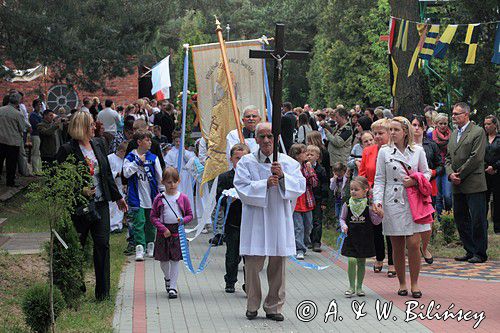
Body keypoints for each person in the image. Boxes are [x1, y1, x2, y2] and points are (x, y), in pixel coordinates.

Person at [234, 122, 305, 321]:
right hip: (256, 218)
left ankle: (274, 306)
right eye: (262, 136)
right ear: (255, 139)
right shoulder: (246, 162)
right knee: (253, 265)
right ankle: (252, 303)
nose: (266, 140)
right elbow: (241, 187)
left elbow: (300, 185)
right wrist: (263, 184)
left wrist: (282, 178)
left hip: (278, 217)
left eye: (270, 136)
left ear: (276, 138)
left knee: (278, 264)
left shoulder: (288, 163)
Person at [56, 111, 128, 301]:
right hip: (80, 207)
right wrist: (79, 191)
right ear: (81, 127)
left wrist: (118, 198)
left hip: (101, 203)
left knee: (102, 245)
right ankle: (76, 287)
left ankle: (103, 293)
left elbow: (106, 174)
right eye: (91, 124)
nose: (95, 127)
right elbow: (59, 181)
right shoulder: (67, 150)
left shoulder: (99, 143)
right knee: (77, 246)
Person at [373, 117, 431, 299]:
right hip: (393, 200)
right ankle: (402, 283)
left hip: (413, 200)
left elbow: (427, 172)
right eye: (390, 130)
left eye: (395, 130)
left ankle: (415, 283)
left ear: (405, 131)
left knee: (414, 243)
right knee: (396, 245)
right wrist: (378, 201)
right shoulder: (384, 152)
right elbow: (379, 179)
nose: (392, 133)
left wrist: (416, 180)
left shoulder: (418, 151)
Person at [446, 102, 488, 263]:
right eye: (453, 114)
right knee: (460, 217)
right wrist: (450, 174)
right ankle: (469, 249)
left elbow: (476, 157)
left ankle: (480, 252)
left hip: (473, 182)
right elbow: (448, 157)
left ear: (466, 115)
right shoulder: (453, 134)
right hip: (457, 183)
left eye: (457, 114)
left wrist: (460, 174)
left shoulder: (477, 132)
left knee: (477, 218)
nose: (454, 117)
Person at [150, 167, 193, 299]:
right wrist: (163, 229)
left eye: (175, 182)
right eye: (169, 182)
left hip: (177, 231)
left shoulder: (183, 198)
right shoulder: (160, 198)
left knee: (175, 260)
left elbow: (190, 215)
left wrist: (183, 220)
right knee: (163, 260)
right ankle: (167, 278)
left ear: (179, 181)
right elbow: (153, 217)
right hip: (164, 231)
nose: (172, 185)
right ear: (163, 182)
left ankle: (173, 286)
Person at [359, 118, 394, 276]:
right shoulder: (368, 151)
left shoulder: (394, 149)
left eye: (381, 133)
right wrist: (366, 190)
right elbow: (362, 174)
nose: (378, 136)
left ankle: (393, 262)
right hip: (373, 193)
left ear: (389, 133)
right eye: (375, 134)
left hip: (393, 193)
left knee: (392, 229)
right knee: (377, 228)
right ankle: (379, 257)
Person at [123, 130, 165, 261]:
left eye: (150, 140)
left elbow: (159, 178)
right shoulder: (130, 157)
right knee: (139, 222)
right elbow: (126, 173)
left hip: (151, 196)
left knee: (151, 223)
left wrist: (162, 193)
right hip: (137, 197)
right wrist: (137, 163)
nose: (150, 142)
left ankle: (150, 245)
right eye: (147, 140)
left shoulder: (153, 158)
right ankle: (139, 248)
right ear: (139, 142)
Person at [217, 143, 250, 293]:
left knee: (250, 257)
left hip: (251, 223)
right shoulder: (225, 177)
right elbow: (219, 198)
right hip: (232, 223)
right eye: (237, 158)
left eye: (244, 158)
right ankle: (230, 281)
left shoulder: (253, 177)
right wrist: (229, 199)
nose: (240, 161)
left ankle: (249, 283)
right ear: (231, 159)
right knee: (232, 255)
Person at [411, 115, 442, 265]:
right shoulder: (405, 145)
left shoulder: (431, 145)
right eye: (413, 125)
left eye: (418, 125)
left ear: (423, 127)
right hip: (411, 187)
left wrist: (432, 173)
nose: (416, 128)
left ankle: (425, 247)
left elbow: (440, 164)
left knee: (428, 218)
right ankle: (413, 247)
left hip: (428, 186)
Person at [340, 176, 378, 297]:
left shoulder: (369, 205)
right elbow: (341, 218)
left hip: (364, 237)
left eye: (356, 189)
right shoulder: (347, 204)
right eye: (351, 189)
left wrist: (380, 215)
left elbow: (375, 221)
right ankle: (351, 287)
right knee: (351, 259)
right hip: (351, 236)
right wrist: (343, 226)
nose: (353, 192)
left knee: (362, 262)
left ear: (365, 190)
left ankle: (359, 287)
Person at [289, 143, 318, 260]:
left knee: (308, 226)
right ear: (297, 155)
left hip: (307, 200)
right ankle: (299, 248)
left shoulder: (307, 167)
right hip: (296, 201)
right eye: (304, 152)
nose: (307, 155)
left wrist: (310, 171)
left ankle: (304, 243)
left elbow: (315, 183)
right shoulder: (291, 167)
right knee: (298, 227)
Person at [0, 93, 28, 187]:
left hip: (1, 139)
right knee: (11, 164)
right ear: (18, 101)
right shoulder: (18, 113)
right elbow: (22, 128)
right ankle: (10, 182)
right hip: (12, 141)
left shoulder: (1, 110)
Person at [164, 131, 195, 208]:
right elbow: (168, 165)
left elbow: (191, 161)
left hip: (185, 176)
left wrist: (184, 152)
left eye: (180, 141)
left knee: (186, 193)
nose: (178, 143)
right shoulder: (171, 153)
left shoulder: (186, 152)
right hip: (175, 176)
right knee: (177, 193)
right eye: (176, 141)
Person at [307, 145, 328, 252]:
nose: (309, 157)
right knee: (308, 220)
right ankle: (309, 240)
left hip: (318, 199)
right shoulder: (304, 168)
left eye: (312, 155)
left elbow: (325, 185)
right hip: (307, 198)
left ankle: (316, 242)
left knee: (317, 221)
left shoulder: (321, 170)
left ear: (317, 156)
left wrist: (324, 201)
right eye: (307, 154)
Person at [432, 113, 453, 217]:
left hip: (447, 165)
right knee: (438, 195)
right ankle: (441, 219)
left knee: (448, 195)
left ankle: (449, 214)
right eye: (441, 123)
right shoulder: (431, 135)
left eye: (445, 123)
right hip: (436, 166)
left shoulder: (452, 134)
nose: (443, 126)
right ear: (436, 124)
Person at [484, 115, 500, 234]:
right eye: (485, 124)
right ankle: (482, 224)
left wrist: (494, 167)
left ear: (495, 125)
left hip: (497, 172)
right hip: (484, 173)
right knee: (484, 199)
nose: (486, 126)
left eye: (489, 124)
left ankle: (497, 226)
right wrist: (486, 167)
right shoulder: (482, 138)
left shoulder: (499, 138)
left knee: (497, 199)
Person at [107, 141, 128, 233]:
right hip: (113, 185)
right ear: (120, 151)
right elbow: (107, 172)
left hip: (121, 186)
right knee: (112, 206)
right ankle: (111, 226)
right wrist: (117, 174)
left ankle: (118, 225)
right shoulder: (110, 158)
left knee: (120, 207)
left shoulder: (124, 160)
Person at [29, 99, 43, 174]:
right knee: (35, 152)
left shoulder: (40, 114)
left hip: (40, 135)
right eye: (38, 105)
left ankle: (39, 169)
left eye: (40, 105)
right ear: (34, 106)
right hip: (35, 135)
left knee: (39, 153)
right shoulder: (33, 115)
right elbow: (36, 125)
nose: (39, 106)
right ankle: (35, 170)